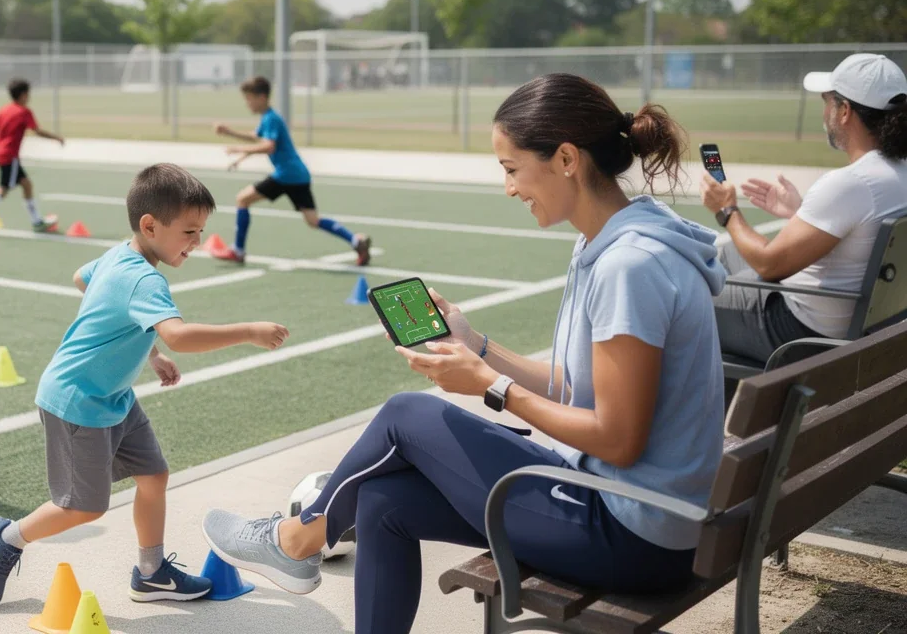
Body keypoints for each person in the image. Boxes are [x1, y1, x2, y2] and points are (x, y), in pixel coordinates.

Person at [203, 73, 728, 632]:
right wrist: (476, 346)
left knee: (407, 413)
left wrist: (490, 387)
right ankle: (301, 540)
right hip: (627, 510)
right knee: (382, 501)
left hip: (635, 536)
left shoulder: (630, 266)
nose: (509, 188)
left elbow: (619, 440)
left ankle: (295, 541)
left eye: (511, 169)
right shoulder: (615, 242)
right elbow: (578, 388)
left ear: (566, 159)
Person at [0, 164, 290, 605]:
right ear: (150, 225)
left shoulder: (120, 255)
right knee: (83, 507)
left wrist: (150, 353)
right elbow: (179, 335)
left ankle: (151, 572)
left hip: (114, 397)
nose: (198, 242)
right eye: (189, 232)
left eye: (201, 231)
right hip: (78, 401)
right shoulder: (144, 278)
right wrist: (249, 331)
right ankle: (6, 537)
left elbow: (82, 278)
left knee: (153, 475)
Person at [701, 53, 907, 363]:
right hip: (857, 324)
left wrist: (727, 211)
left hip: (798, 329)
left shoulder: (851, 184)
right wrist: (799, 212)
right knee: (726, 254)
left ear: (845, 111)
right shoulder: (898, 172)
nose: (825, 112)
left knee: (683, 297)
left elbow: (769, 265)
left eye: (828, 101)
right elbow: (859, 229)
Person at [211, 76, 371, 265]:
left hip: (286, 175)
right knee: (313, 220)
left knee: (242, 199)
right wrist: (230, 135)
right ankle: (356, 241)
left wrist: (239, 150)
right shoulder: (268, 118)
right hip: (298, 175)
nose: (247, 103)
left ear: (261, 97)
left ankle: (238, 251)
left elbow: (268, 146)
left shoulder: (271, 118)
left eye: (249, 98)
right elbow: (257, 138)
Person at [0, 78, 65, 236]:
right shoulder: (24, 112)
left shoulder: (3, 110)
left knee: (26, 184)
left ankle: (37, 221)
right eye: (28, 94)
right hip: (10, 156)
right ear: (23, 95)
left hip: (2, 153)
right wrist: (56, 138)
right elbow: (37, 131)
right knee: (3, 189)